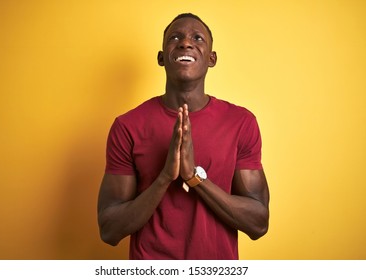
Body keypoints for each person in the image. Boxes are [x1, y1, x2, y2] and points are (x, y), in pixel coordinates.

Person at [97, 13, 270, 260]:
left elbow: (258, 223)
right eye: (175, 37)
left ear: (211, 58)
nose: (185, 43)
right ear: (161, 58)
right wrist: (165, 176)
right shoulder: (128, 126)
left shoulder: (241, 123)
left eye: (197, 38)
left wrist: (194, 177)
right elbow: (109, 229)